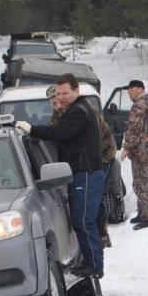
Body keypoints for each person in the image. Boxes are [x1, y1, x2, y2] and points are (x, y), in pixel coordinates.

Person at [16, 74, 105, 278]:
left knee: (83, 221)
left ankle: (94, 266)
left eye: (65, 93)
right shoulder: (73, 110)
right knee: (82, 221)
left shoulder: (79, 111)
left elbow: (59, 132)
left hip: (86, 173)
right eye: (58, 94)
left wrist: (32, 129)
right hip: (80, 172)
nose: (61, 97)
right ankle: (91, 262)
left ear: (76, 91)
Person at [48, 84, 116, 248]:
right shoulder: (57, 117)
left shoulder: (85, 111)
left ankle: (101, 233)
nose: (58, 106)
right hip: (79, 162)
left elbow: (94, 138)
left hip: (102, 155)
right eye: (54, 103)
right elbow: (55, 134)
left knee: (95, 197)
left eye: (60, 102)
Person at [119, 79, 148, 230]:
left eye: (131, 90)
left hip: (141, 150)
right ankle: (143, 213)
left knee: (142, 183)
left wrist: (126, 147)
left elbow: (134, 128)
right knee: (142, 182)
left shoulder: (140, 104)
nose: (129, 93)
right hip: (147, 149)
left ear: (140, 89)